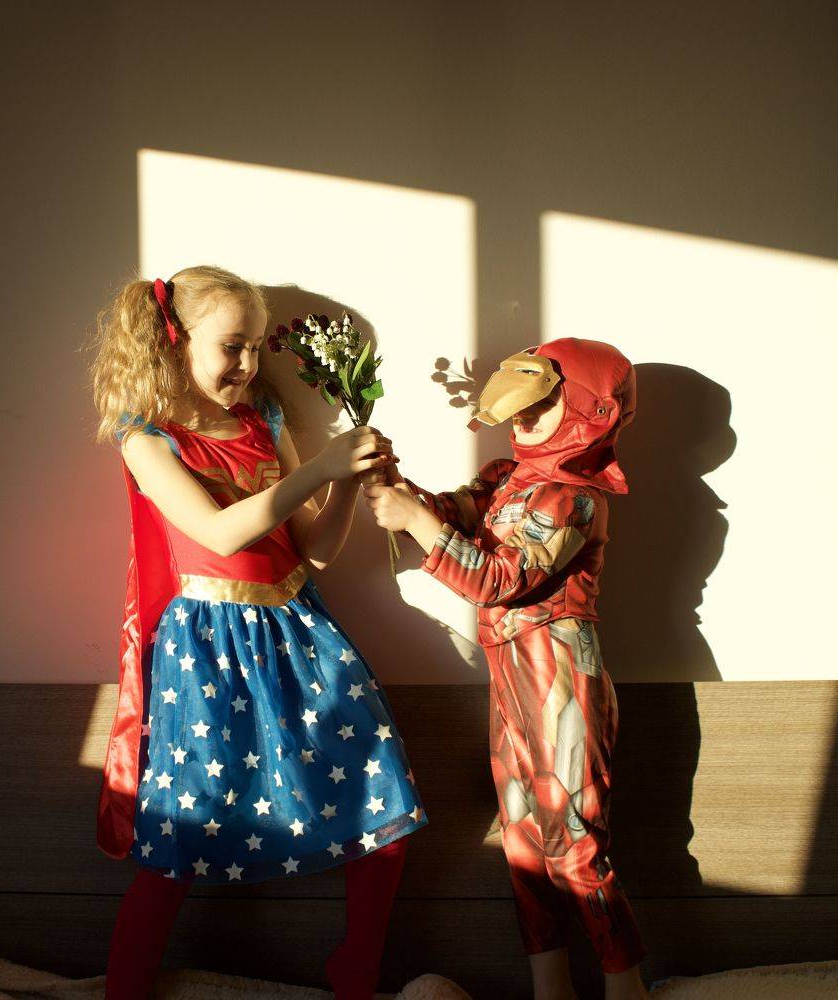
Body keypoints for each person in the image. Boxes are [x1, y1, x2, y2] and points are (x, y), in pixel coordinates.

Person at [89, 265, 427, 999]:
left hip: (297, 631)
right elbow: (216, 530)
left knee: (380, 789)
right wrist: (320, 468)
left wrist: (345, 481)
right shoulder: (145, 437)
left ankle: (357, 966)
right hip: (208, 648)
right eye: (230, 346)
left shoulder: (262, 420)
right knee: (180, 833)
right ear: (174, 341)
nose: (247, 365)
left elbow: (316, 550)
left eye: (255, 348)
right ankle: (124, 989)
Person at [364, 339, 648, 1000]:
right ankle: (550, 987)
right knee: (522, 847)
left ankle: (626, 987)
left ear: (587, 412)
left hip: (559, 672)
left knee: (574, 842)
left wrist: (417, 520)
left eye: (545, 404)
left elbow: (498, 579)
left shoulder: (575, 499)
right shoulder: (504, 478)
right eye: (525, 403)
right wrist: (395, 484)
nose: (525, 416)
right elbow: (450, 515)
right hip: (510, 676)